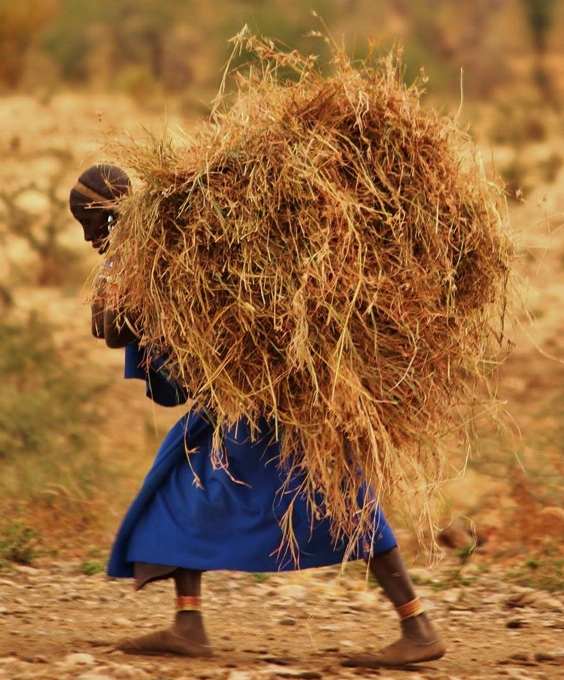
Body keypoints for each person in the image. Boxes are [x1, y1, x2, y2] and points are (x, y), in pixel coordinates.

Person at [70, 164, 446, 669]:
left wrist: (115, 272)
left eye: (90, 224)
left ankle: (417, 626)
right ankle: (188, 623)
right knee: (182, 482)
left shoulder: (153, 253)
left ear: (107, 215)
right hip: (241, 399)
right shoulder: (157, 246)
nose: (88, 237)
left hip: (270, 398)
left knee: (339, 494)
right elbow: (113, 327)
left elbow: (112, 329)